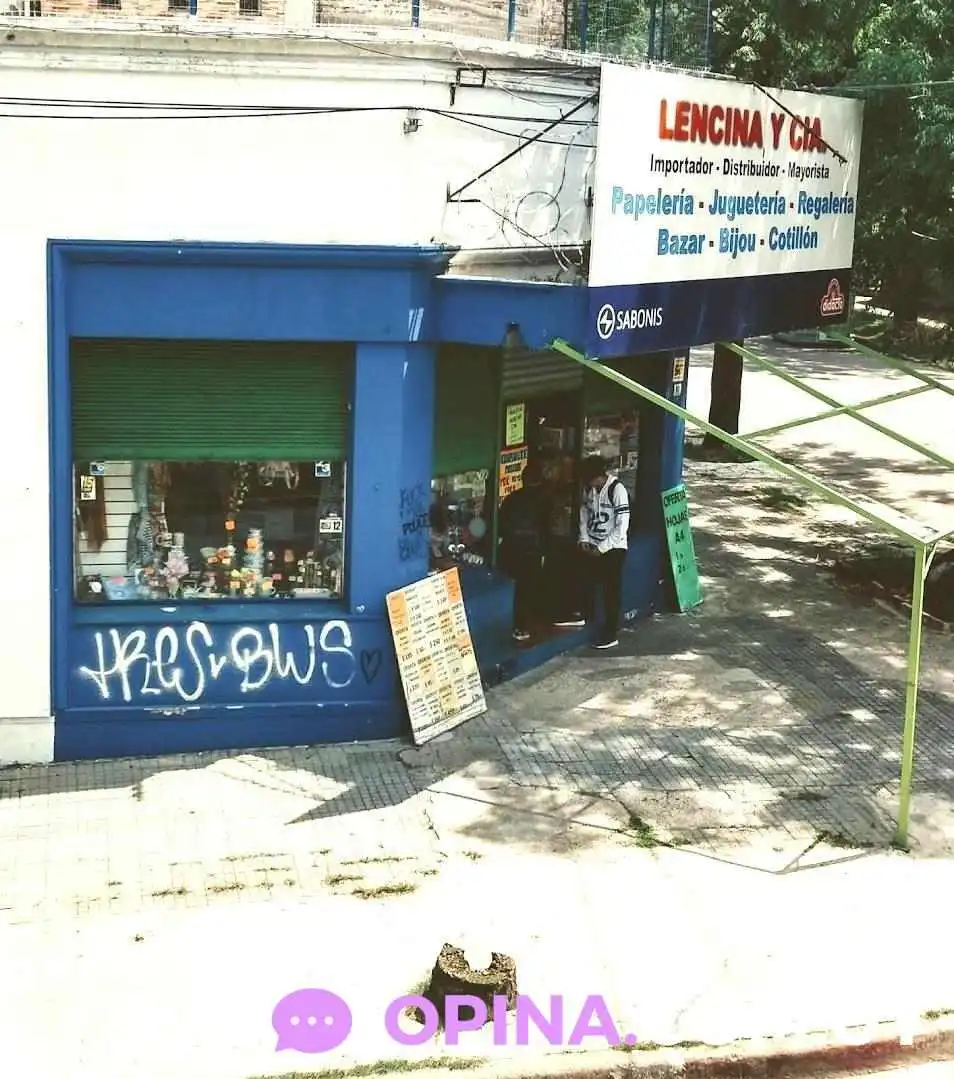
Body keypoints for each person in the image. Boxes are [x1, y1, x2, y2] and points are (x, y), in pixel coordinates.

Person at [578, 455, 630, 650]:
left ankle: (610, 633)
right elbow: (585, 513)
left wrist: (602, 549)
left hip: (613, 548)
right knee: (587, 582)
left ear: (597, 476)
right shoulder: (589, 490)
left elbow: (621, 527)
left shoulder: (617, 490)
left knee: (611, 592)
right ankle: (587, 617)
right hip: (593, 543)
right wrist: (584, 538)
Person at [497, 460, 550, 643]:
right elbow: (547, 528)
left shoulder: (511, 498)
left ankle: (515, 625)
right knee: (527, 589)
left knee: (514, 588)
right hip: (532, 551)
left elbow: (501, 525)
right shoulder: (544, 499)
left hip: (510, 549)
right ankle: (523, 625)